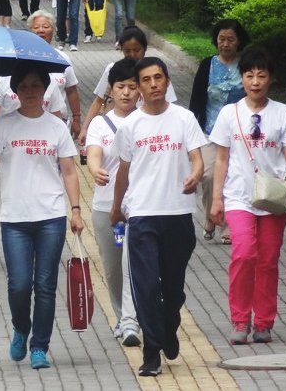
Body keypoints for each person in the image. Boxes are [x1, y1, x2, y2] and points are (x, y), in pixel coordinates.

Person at [0, 64, 84, 370]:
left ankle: (40, 346)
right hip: (14, 218)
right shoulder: (5, 124)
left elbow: (69, 171)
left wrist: (75, 210)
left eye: (36, 86)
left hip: (50, 216)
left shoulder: (56, 127)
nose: (31, 92)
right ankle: (21, 327)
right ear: (15, 91)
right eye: (24, 87)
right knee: (20, 284)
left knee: (46, 285)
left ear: (46, 89)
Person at [110, 57, 206, 377]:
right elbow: (123, 172)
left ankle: (169, 324)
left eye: (158, 78)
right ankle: (151, 351)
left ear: (166, 81)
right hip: (142, 215)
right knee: (146, 286)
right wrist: (116, 207)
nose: (153, 85)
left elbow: (197, 158)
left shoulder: (184, 118)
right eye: (146, 80)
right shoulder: (130, 126)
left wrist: (194, 176)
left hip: (178, 213)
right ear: (138, 88)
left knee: (174, 288)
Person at [209, 48, 286, 345]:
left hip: (273, 198)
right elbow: (221, 159)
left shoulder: (283, 112)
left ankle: (263, 322)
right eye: (250, 75)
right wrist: (216, 199)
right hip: (238, 196)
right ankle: (239, 319)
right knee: (244, 254)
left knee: (268, 260)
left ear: (270, 79)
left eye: (262, 75)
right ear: (242, 78)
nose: (256, 81)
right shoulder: (229, 113)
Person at [86, 57, 142, 346]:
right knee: (113, 265)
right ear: (111, 89)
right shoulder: (100, 123)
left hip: (142, 208)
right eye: (121, 86)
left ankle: (136, 318)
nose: (126, 93)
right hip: (107, 209)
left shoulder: (147, 120)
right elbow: (94, 154)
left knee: (136, 263)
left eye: (133, 87)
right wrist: (95, 169)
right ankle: (122, 317)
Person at [189, 19, 250, 244]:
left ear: (239, 41)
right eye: (221, 39)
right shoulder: (208, 65)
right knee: (208, 177)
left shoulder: (245, 66)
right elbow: (196, 100)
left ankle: (227, 225)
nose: (225, 44)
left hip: (239, 134)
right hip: (209, 132)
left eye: (230, 40)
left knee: (233, 177)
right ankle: (210, 216)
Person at [77, 27, 177, 145]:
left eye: (137, 50)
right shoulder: (113, 69)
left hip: (150, 131)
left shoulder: (155, 73)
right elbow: (99, 100)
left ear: (144, 49)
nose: (132, 54)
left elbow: (169, 105)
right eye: (127, 51)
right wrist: (85, 128)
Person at [27, 10, 83, 137]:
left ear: (53, 30)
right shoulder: (23, 59)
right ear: (30, 31)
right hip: (28, 124)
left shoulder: (62, 58)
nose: (41, 30)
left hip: (59, 123)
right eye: (36, 27)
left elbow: (72, 90)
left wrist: (77, 119)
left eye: (46, 27)